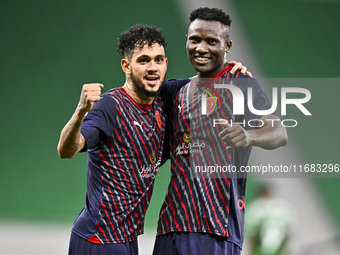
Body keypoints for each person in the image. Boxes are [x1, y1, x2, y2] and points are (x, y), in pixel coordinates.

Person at [57, 24, 248, 255]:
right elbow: (66, 149)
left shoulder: (165, 96)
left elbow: (206, 80)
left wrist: (229, 68)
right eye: (143, 60)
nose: (152, 67)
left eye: (158, 60)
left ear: (166, 64)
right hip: (99, 238)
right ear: (126, 66)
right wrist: (80, 111)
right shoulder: (110, 106)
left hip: (127, 238)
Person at [153, 7, 288, 255]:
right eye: (195, 39)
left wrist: (249, 135)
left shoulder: (240, 83)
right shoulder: (176, 91)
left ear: (227, 46)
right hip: (170, 228)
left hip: (215, 230)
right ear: (186, 40)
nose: (201, 48)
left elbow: (279, 132)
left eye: (211, 41)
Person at [244, 184, 296, 255]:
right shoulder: (285, 208)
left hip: (258, 250)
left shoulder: (255, 208)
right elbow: (290, 234)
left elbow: (249, 235)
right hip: (278, 249)